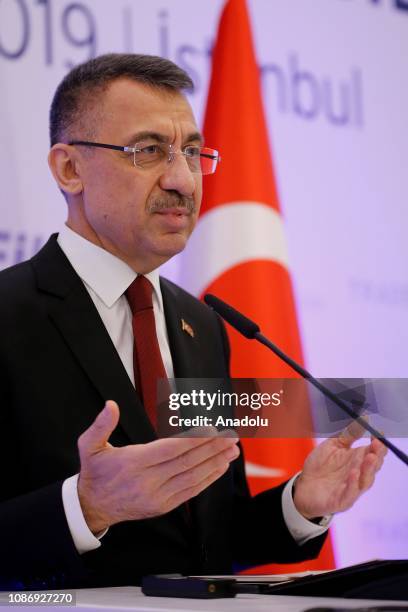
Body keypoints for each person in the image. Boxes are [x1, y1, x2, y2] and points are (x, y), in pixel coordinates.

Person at [0, 54, 386, 590]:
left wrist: (300, 504)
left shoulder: (201, 325)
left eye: (191, 152)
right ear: (70, 169)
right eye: (150, 150)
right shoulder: (9, 312)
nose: (183, 179)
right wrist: (84, 507)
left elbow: (205, 538)